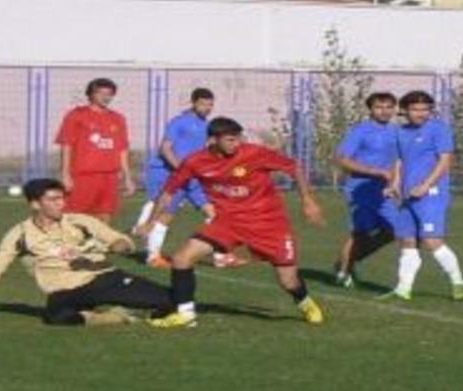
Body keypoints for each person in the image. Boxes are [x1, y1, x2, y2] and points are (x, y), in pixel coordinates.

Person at [136, 117, 326, 328]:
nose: (236, 144)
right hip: (228, 222)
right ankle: (185, 314)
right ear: (212, 140)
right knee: (182, 258)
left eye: (238, 139)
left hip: (268, 224)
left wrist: (308, 201)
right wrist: (151, 222)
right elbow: (168, 192)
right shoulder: (195, 161)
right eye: (230, 140)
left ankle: (305, 302)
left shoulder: (253, 153)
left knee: (288, 280)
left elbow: (294, 167)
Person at [0, 178, 173, 327]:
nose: (61, 204)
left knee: (170, 301)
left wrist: (110, 246)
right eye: (53, 199)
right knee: (57, 317)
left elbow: (124, 243)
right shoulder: (19, 234)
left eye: (61, 198)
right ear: (35, 204)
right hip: (64, 290)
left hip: (102, 279)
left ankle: (145, 303)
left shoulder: (79, 221)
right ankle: (116, 316)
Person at [133, 87, 242, 268]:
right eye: (203, 104)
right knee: (166, 215)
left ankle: (220, 256)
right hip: (172, 175)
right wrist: (181, 170)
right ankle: (153, 257)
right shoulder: (179, 122)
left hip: (193, 178)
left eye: (210, 104)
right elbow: (165, 148)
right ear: (193, 103)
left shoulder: (207, 126)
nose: (207, 108)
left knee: (214, 212)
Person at [381, 90, 463, 301]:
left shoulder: (439, 129)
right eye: (415, 109)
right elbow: (399, 162)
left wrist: (426, 185)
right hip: (406, 195)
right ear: (404, 110)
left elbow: (445, 161)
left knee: (431, 240)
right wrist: (394, 184)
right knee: (407, 240)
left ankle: (458, 283)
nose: (421, 113)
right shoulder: (399, 132)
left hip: (431, 193)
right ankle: (403, 289)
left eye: (425, 109)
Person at [333, 92, 401, 288]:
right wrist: (375, 171)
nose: (384, 111)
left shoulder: (396, 131)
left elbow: (399, 160)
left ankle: (346, 262)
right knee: (361, 233)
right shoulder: (361, 131)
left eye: (389, 107)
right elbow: (342, 159)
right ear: (370, 109)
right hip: (361, 190)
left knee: (393, 231)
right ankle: (343, 273)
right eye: (379, 107)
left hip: (385, 191)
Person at [56, 78, 135, 224]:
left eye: (110, 94)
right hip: (83, 175)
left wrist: (127, 177)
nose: (106, 97)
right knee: (74, 215)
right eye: (101, 93)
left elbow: (122, 150)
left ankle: (98, 246)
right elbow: (66, 145)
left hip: (109, 176)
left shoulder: (118, 118)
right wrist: (65, 174)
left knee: (105, 215)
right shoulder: (76, 115)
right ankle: (70, 245)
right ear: (90, 94)